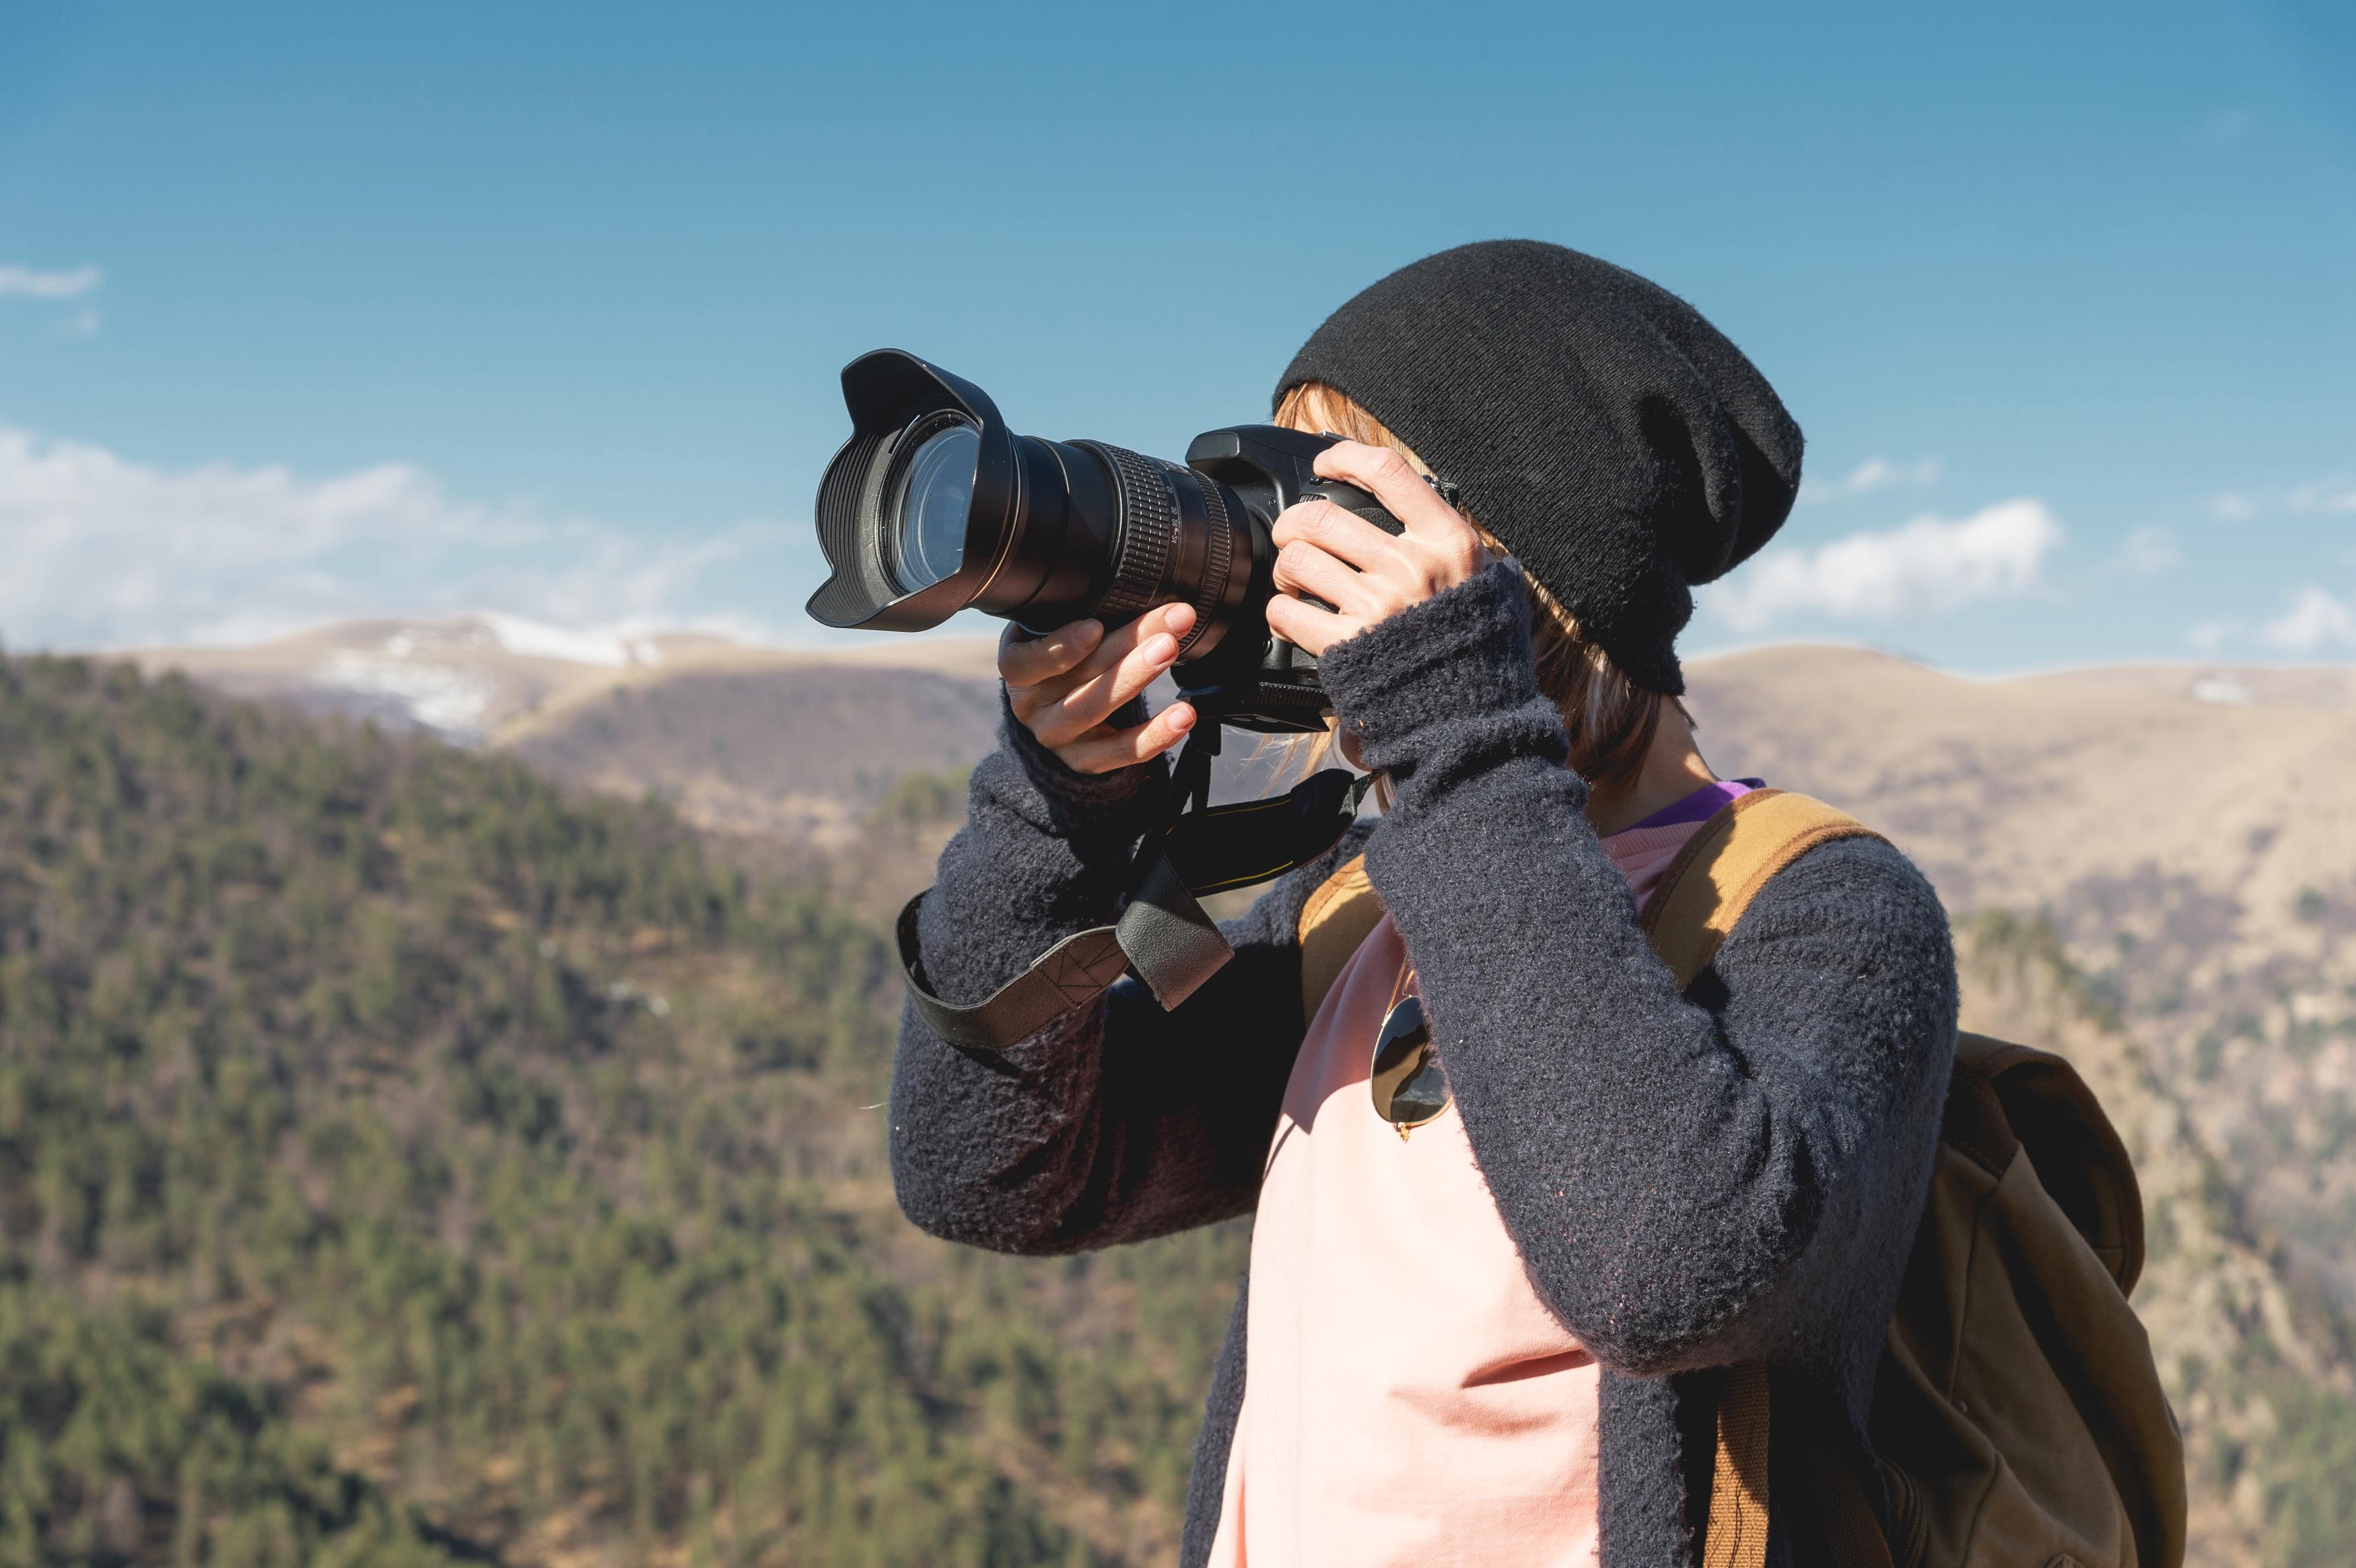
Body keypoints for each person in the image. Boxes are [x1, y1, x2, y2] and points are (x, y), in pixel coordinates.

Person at [888, 240, 1959, 1568]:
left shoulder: (1819, 914)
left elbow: (1665, 1269)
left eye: (1348, 507)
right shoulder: (1361, 909)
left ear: (1526, 563)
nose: (1296, 562)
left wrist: (1454, 727)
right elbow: (989, 1174)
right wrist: (1058, 809)